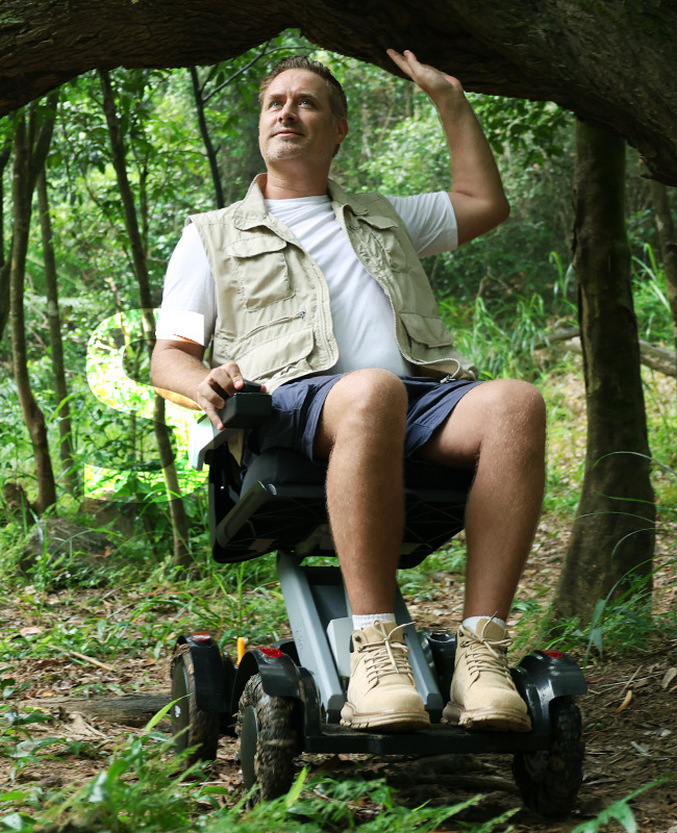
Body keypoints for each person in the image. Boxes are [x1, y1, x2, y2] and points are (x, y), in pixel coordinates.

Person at [150, 50, 545, 734]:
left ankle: (482, 655)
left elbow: (485, 204)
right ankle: (375, 654)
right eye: (275, 101)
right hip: (290, 406)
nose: (287, 111)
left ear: (337, 130)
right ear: (261, 125)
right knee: (370, 390)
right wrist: (204, 379)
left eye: (306, 102)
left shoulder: (384, 217)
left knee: (517, 403)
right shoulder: (210, 234)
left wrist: (450, 99)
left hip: (417, 400)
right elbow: (168, 356)